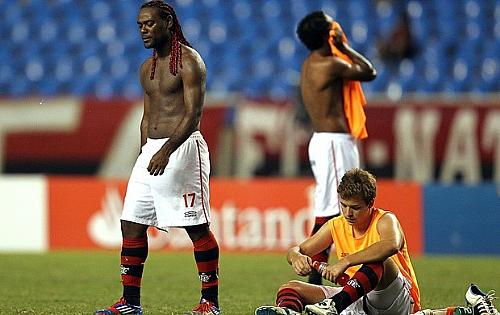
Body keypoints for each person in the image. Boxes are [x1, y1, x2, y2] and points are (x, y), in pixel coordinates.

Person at [95, 1, 220, 315]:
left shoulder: (190, 62)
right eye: (139, 25)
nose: (143, 30)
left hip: (183, 150)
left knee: (196, 227)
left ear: (168, 22)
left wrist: (165, 151)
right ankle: (130, 303)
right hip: (151, 152)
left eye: (149, 23)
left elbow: (193, 116)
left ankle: (210, 302)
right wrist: (144, 153)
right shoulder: (146, 68)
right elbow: (146, 116)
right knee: (131, 225)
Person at [255, 168, 421, 315]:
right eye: (344, 205)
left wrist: (346, 262)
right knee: (290, 288)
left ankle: (334, 305)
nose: (348, 213)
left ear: (370, 203)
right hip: (355, 297)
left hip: (398, 301)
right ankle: (290, 311)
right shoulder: (336, 224)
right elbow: (297, 250)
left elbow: (391, 245)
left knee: (381, 260)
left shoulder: (385, 219)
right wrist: (296, 258)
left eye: (355, 207)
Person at [296, 11, 377, 285]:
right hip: (332, 142)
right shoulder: (330, 63)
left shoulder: (310, 62)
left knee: (331, 206)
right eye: (332, 27)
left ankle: (316, 275)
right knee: (334, 208)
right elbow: (369, 71)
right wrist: (344, 47)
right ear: (326, 36)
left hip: (327, 140)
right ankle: (315, 274)